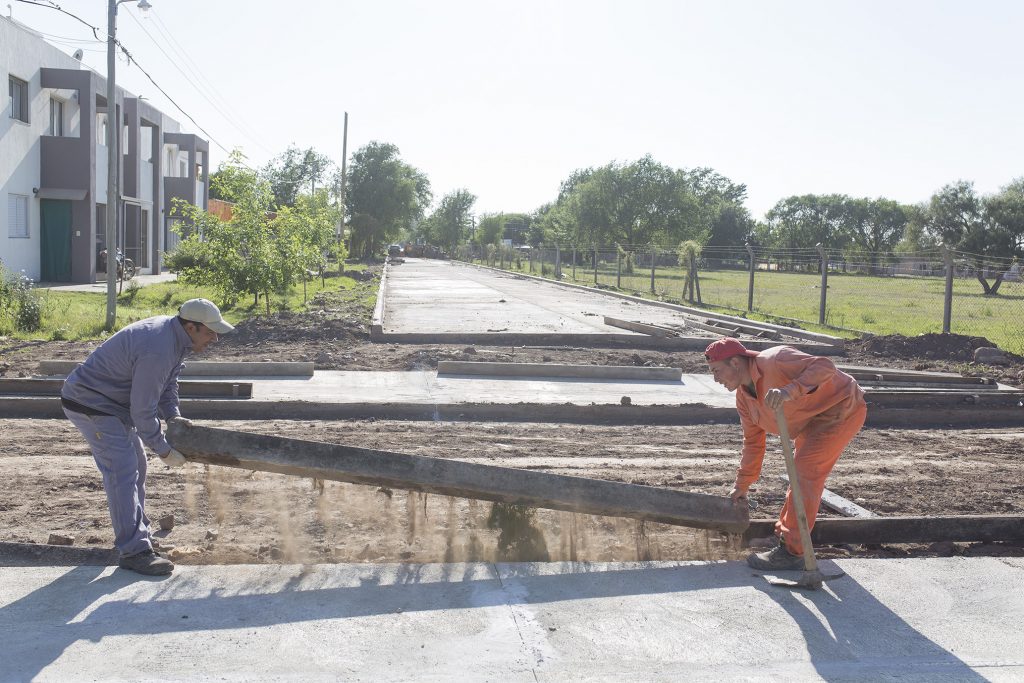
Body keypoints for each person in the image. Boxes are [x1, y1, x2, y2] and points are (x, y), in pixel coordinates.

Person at [61, 298, 233, 575]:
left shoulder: (175, 339)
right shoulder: (158, 347)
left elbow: (168, 384)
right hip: (92, 404)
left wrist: (173, 418)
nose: (215, 338)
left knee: (137, 466)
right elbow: (142, 411)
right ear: (191, 327)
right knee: (123, 470)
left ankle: (139, 539)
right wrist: (163, 449)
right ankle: (134, 551)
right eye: (210, 331)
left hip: (112, 405)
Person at [705, 337, 866, 570]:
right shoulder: (744, 399)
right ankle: (785, 539)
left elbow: (825, 367)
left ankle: (792, 553)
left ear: (736, 363)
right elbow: (753, 443)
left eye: (717, 371)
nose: (715, 379)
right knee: (799, 477)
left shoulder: (776, 360)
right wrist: (743, 484)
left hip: (842, 409)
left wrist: (790, 391)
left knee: (804, 474)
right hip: (810, 421)